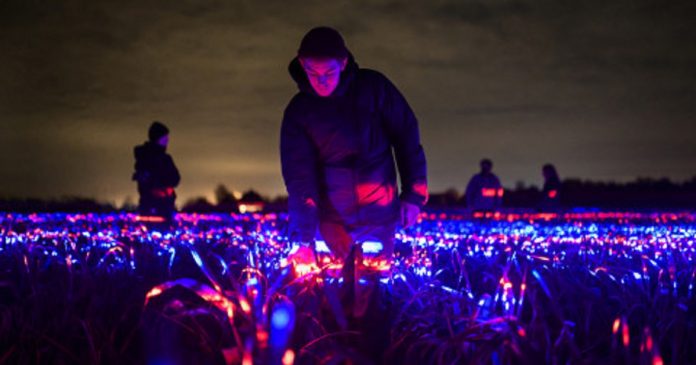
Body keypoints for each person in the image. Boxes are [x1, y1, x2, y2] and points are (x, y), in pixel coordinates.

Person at [280, 26, 428, 284]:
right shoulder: (299, 112)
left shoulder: (374, 89)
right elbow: (299, 177)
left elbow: (406, 136)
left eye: (329, 72)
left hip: (379, 213)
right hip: (330, 222)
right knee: (331, 294)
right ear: (302, 64)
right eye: (312, 73)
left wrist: (413, 195)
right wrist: (310, 231)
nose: (321, 81)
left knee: (376, 289)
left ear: (344, 62)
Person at [133, 121, 181, 221]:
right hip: (155, 206)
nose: (167, 140)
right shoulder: (147, 158)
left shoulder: (163, 158)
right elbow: (146, 180)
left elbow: (176, 178)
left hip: (164, 205)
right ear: (157, 138)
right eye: (165, 138)